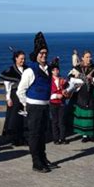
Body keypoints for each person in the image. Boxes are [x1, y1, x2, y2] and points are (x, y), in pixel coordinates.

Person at [17, 32, 58, 173]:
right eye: (41, 53)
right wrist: (26, 105)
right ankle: (36, 162)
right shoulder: (30, 71)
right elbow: (20, 91)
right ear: (36, 54)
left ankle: (43, 157)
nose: (44, 56)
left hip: (45, 106)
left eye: (45, 53)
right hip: (33, 107)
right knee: (34, 135)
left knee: (42, 134)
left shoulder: (48, 69)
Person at [69, 50, 94, 142]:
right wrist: (83, 80)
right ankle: (85, 135)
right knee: (84, 114)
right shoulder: (77, 68)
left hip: (93, 94)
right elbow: (71, 80)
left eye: (90, 57)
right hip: (82, 95)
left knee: (93, 113)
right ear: (82, 58)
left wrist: (93, 79)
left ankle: (93, 135)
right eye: (87, 57)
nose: (89, 59)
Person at [0, 50, 28, 146]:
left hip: (25, 95)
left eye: (24, 59)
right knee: (14, 117)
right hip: (14, 96)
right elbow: (7, 85)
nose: (23, 61)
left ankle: (23, 137)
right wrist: (8, 98)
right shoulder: (10, 70)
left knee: (24, 116)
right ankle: (14, 138)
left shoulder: (27, 69)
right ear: (16, 58)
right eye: (21, 59)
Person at [49, 57, 71, 145]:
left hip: (62, 102)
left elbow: (68, 89)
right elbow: (48, 93)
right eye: (54, 70)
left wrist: (66, 91)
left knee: (62, 121)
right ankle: (55, 138)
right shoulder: (49, 81)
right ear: (51, 71)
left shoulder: (63, 80)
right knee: (55, 121)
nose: (56, 71)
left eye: (57, 69)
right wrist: (56, 95)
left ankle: (63, 138)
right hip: (53, 103)